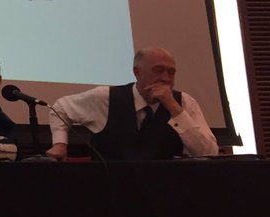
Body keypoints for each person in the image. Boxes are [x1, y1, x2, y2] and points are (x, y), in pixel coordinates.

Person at [45, 47, 218, 161]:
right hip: (110, 192)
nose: (166, 78)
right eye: (158, 71)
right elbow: (60, 108)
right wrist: (60, 144)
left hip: (165, 194)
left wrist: (174, 108)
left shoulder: (184, 102)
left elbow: (209, 153)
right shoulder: (106, 97)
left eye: (171, 73)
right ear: (137, 72)